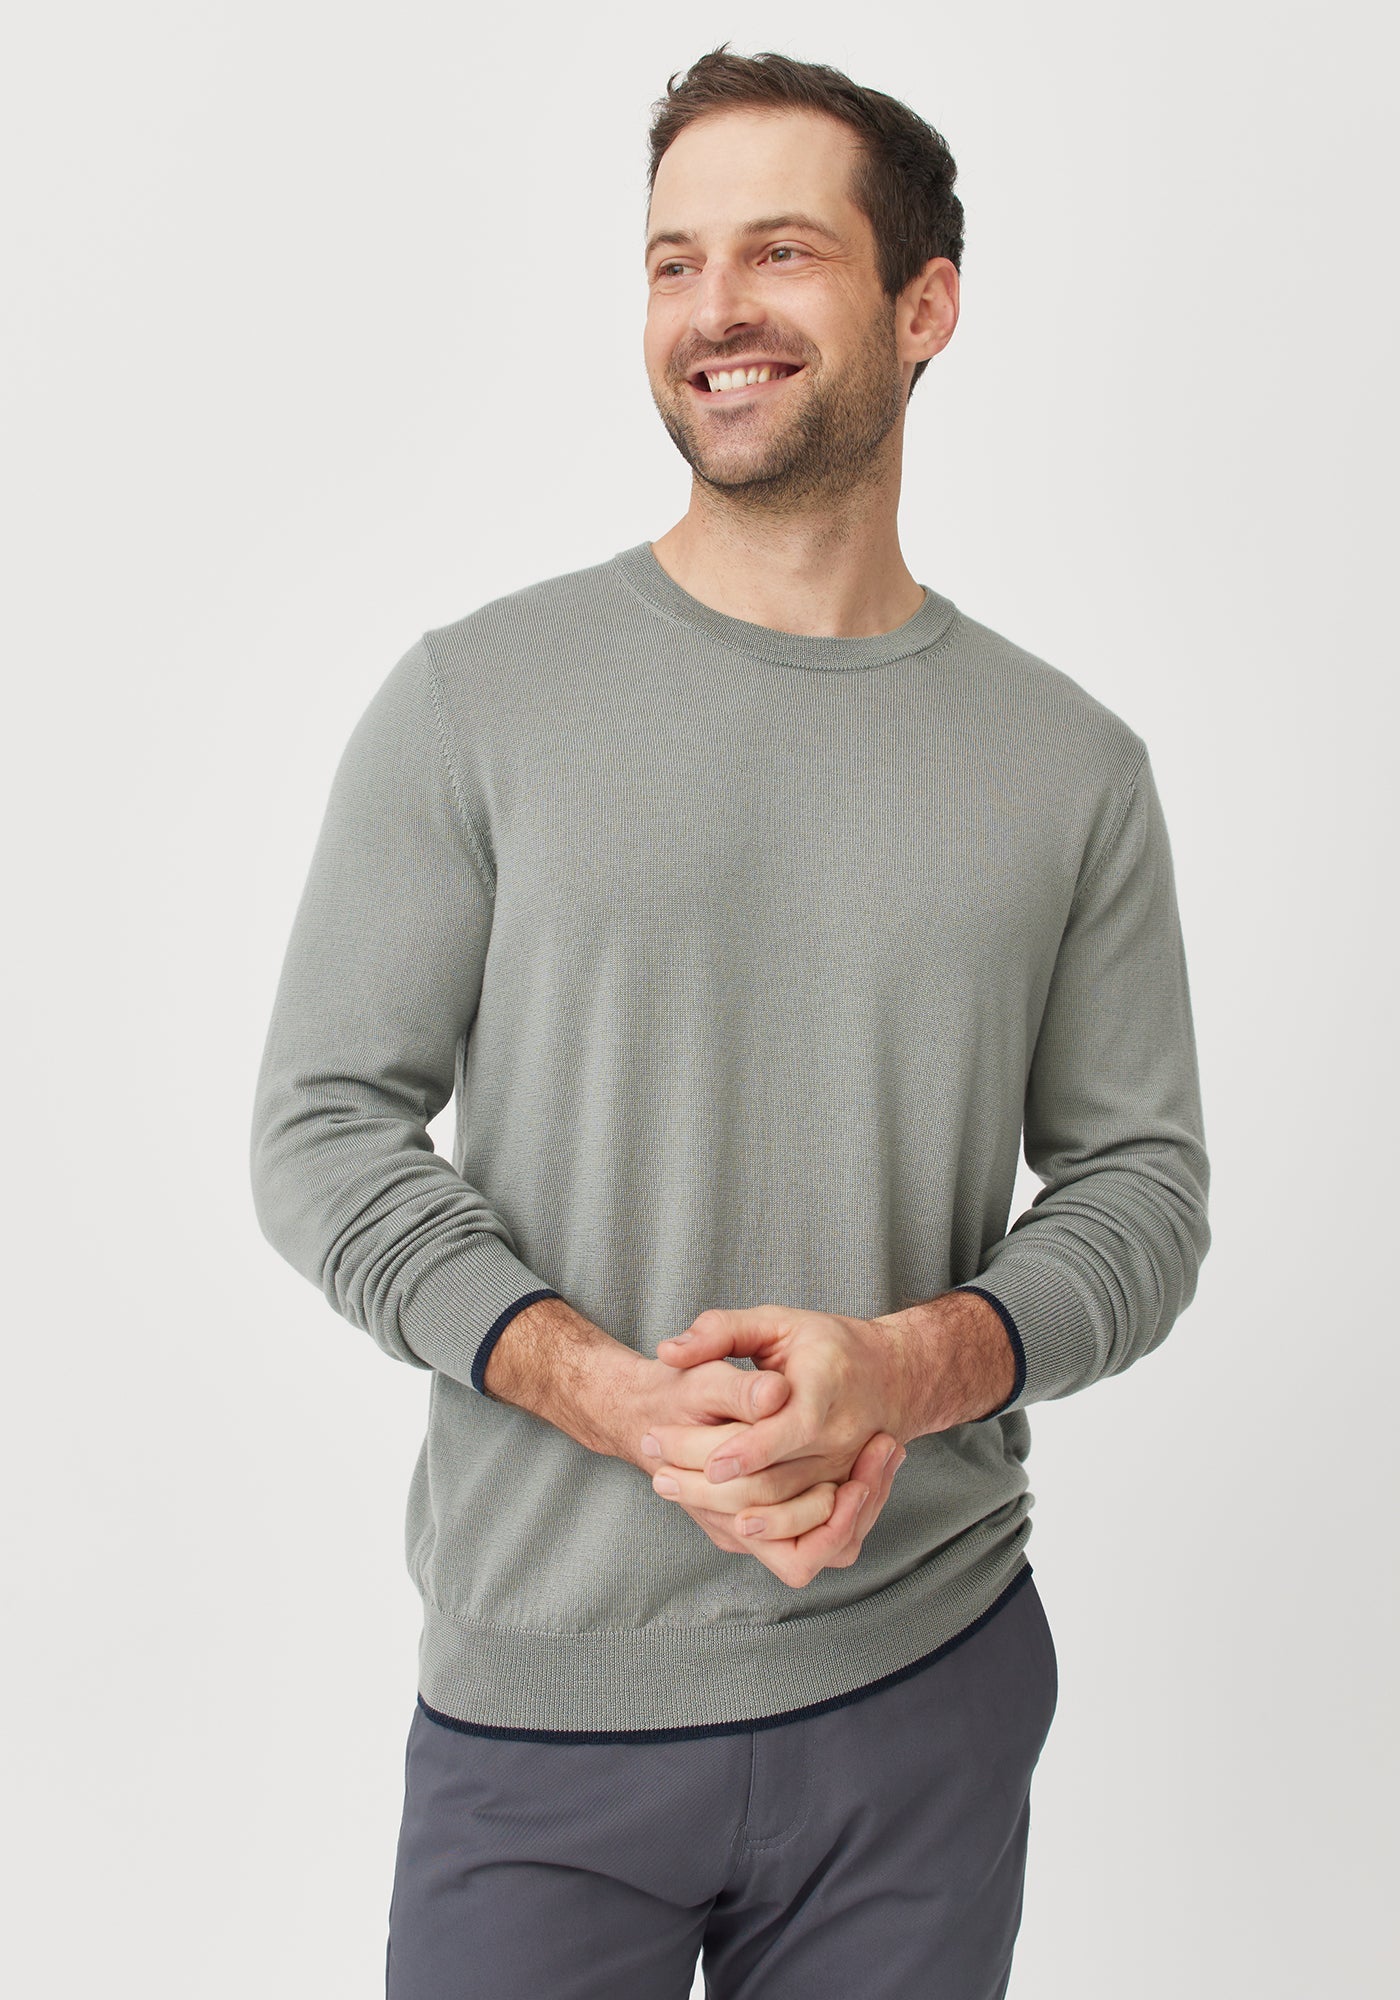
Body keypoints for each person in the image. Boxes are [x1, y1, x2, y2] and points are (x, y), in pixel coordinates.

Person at [249, 43, 1211, 2000]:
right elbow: (322, 1125)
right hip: (546, 1708)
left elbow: (1141, 1192)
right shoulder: (478, 699)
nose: (713, 311)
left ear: (924, 305)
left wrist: (910, 1366)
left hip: (922, 1686)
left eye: (779, 251)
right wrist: (600, 1389)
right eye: (672, 261)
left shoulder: (1070, 766)